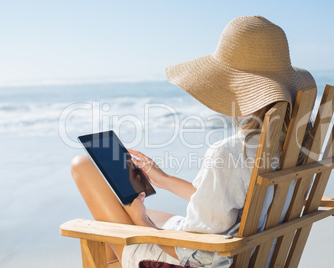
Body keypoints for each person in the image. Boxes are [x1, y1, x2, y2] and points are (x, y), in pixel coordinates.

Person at [71, 15, 316, 268]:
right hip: (256, 256)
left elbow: (199, 255)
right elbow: (227, 204)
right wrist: (164, 180)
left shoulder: (230, 153)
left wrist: (143, 223)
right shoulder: (296, 146)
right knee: (134, 214)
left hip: (203, 261)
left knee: (83, 167)